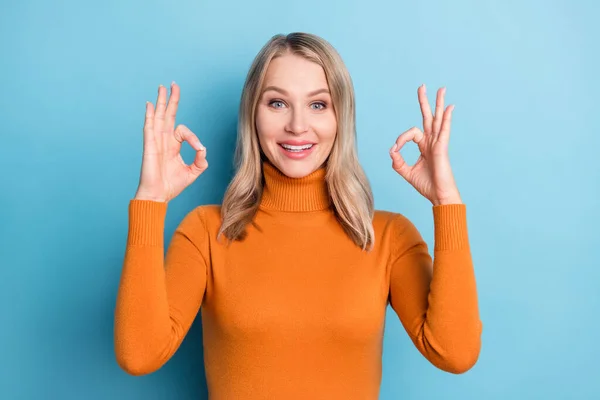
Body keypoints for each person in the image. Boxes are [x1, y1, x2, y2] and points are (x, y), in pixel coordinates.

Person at [114, 32, 483, 399]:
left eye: (318, 105)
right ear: (252, 115)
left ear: (341, 117)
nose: (297, 125)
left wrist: (446, 201)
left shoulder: (388, 236)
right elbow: (139, 355)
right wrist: (151, 199)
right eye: (277, 103)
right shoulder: (207, 231)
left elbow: (455, 353)